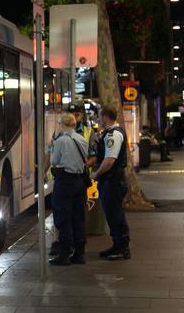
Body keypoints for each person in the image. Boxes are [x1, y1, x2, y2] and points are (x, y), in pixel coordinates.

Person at [49, 103, 97, 257]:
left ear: (63, 125)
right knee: (78, 216)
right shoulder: (82, 139)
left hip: (65, 182)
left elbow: (54, 160)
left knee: (63, 217)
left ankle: (64, 252)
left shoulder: (60, 141)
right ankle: (80, 253)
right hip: (80, 181)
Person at [91, 105, 131, 260]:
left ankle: (122, 248)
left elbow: (109, 161)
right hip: (111, 180)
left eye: (100, 117)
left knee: (115, 215)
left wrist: (96, 173)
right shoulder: (110, 133)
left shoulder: (113, 135)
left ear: (106, 116)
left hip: (112, 181)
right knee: (112, 214)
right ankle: (117, 245)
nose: (98, 120)